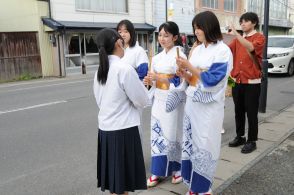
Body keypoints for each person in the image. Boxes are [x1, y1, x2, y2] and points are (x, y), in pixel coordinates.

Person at [176, 11, 233, 195]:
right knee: (192, 143)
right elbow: (195, 77)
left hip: (209, 108)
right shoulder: (198, 49)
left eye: (199, 27)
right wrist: (184, 74)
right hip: (193, 103)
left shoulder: (223, 50)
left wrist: (190, 67)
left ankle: (204, 189)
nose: (196, 31)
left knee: (205, 144)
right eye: (195, 28)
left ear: (209, 27)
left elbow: (213, 79)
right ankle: (194, 185)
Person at [93, 28, 149, 195]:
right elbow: (141, 100)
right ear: (118, 42)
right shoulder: (124, 69)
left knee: (115, 183)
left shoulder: (99, 72)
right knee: (122, 185)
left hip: (106, 130)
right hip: (124, 130)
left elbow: (100, 101)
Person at [143, 21, 187, 187]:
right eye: (160, 35)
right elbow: (153, 81)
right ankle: (157, 171)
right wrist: (149, 81)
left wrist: (159, 79)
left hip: (173, 100)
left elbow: (181, 81)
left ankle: (177, 169)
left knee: (173, 133)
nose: (162, 38)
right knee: (157, 134)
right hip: (159, 100)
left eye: (166, 35)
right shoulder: (156, 57)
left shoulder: (180, 57)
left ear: (175, 37)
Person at [227, 12, 265, 154]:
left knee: (251, 113)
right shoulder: (238, 39)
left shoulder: (259, 37)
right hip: (237, 81)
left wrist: (236, 34)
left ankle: (252, 140)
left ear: (254, 23)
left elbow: (251, 48)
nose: (242, 23)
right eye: (241, 21)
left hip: (252, 82)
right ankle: (240, 136)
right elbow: (226, 50)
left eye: (246, 21)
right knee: (238, 111)